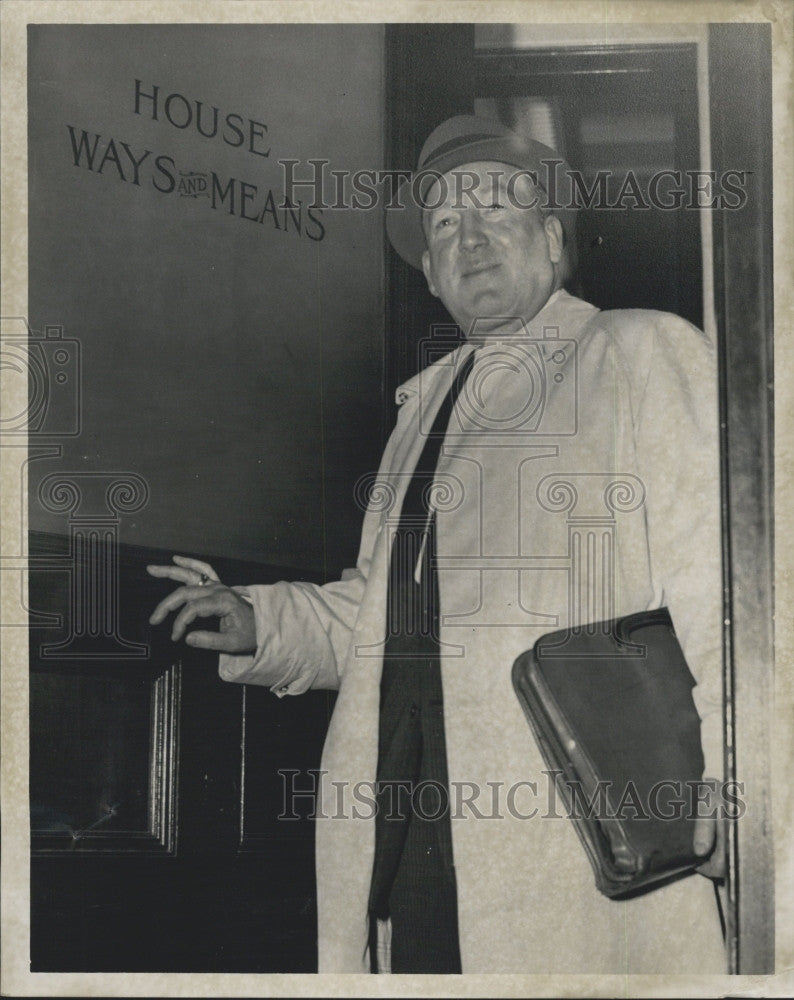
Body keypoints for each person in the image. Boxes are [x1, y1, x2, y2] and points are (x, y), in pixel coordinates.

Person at [148, 115, 726, 974]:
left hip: (574, 836)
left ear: (554, 239)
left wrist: (735, 789)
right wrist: (261, 622)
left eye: (497, 208)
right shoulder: (424, 409)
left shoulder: (637, 350)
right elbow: (383, 624)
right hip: (413, 831)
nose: (472, 236)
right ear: (429, 271)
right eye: (447, 224)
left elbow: (726, 588)